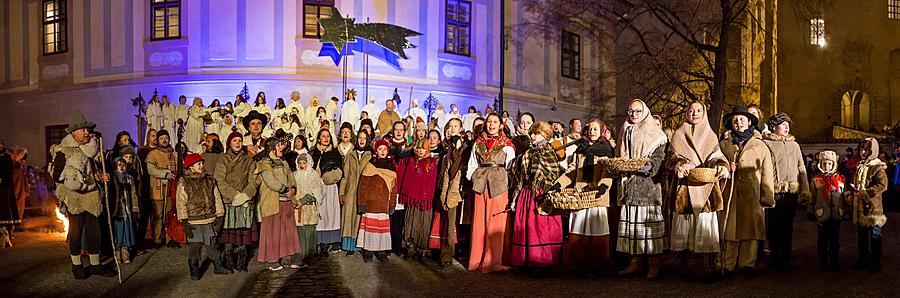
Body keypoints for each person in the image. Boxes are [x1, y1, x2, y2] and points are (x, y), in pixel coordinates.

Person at [665, 101, 729, 281]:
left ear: (704, 113)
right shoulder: (678, 133)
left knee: (704, 227)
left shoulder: (710, 135)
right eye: (691, 110)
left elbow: (716, 156)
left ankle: (706, 267)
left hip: (705, 188)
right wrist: (679, 164)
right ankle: (686, 268)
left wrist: (721, 166)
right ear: (686, 113)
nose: (694, 113)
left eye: (698, 110)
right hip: (684, 188)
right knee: (685, 227)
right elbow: (670, 157)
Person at [50, 111, 116, 279]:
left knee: (94, 232)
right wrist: (75, 178)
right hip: (74, 198)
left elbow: (95, 171)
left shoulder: (92, 151)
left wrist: (102, 177)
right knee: (75, 233)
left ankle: (95, 264)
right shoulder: (63, 151)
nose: (87, 133)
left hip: (91, 196)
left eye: (88, 130)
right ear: (74, 133)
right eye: (83, 130)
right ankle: (77, 265)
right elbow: (57, 175)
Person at [718, 105, 776, 275]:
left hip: (752, 195)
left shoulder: (760, 145)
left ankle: (747, 265)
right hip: (730, 194)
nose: (739, 123)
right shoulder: (723, 145)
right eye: (735, 120)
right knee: (730, 232)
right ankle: (727, 264)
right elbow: (716, 164)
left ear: (749, 121)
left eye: (742, 119)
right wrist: (726, 167)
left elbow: (767, 173)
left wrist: (767, 196)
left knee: (750, 232)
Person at [616, 99, 668, 280]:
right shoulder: (625, 129)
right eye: (631, 111)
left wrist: (640, 166)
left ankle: (653, 266)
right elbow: (619, 155)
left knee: (649, 230)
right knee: (632, 229)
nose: (634, 114)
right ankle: (634, 263)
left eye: (638, 111)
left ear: (645, 112)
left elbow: (658, 160)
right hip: (629, 186)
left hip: (648, 188)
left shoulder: (656, 134)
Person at [560, 119, 615, 276]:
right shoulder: (580, 150)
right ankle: (579, 264)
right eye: (589, 129)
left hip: (598, 196)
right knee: (578, 229)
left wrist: (604, 185)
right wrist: (560, 184)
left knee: (597, 229)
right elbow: (571, 171)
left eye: (595, 129)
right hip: (581, 195)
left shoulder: (606, 150)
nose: (592, 132)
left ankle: (598, 265)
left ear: (601, 131)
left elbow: (607, 172)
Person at [507, 121, 565, 271]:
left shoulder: (548, 151)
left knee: (541, 226)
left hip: (542, 193)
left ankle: (542, 260)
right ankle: (525, 259)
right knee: (526, 225)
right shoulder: (528, 152)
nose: (532, 136)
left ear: (544, 135)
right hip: (527, 192)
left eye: (536, 133)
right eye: (532, 133)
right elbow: (520, 171)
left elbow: (555, 171)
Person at [466, 113, 515, 273]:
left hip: (499, 185)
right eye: (489, 122)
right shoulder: (477, 144)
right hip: (480, 185)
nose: (491, 125)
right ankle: (477, 260)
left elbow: (510, 168)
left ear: (501, 125)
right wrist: (474, 177)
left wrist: (503, 181)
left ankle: (494, 261)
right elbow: (472, 164)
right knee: (479, 223)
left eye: (495, 122)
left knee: (496, 223)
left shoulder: (507, 145)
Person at [762, 112, 811, 271]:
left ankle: (786, 255)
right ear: (774, 127)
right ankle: (775, 255)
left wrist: (805, 189)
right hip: (775, 190)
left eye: (788, 124)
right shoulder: (766, 144)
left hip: (792, 191)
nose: (787, 127)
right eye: (783, 124)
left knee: (788, 225)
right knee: (774, 225)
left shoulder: (794, 145)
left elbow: (801, 167)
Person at [175, 153, 231, 279]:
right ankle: (194, 268)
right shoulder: (184, 182)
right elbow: (181, 203)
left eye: (202, 163)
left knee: (212, 244)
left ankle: (218, 266)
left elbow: (217, 198)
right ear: (190, 167)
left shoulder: (210, 180)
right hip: (193, 221)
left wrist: (220, 215)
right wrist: (184, 221)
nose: (202, 165)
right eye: (198, 164)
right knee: (195, 246)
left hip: (209, 219)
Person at [254, 130, 304, 271]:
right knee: (273, 232)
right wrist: (285, 189)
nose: (282, 148)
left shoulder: (283, 161)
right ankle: (273, 260)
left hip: (286, 201)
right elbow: (271, 181)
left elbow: (290, 177)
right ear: (271, 148)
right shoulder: (264, 164)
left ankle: (294, 258)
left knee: (289, 231)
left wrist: (293, 189)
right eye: (279, 145)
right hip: (272, 202)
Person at [214, 131, 259, 272]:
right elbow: (219, 179)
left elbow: (254, 181)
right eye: (235, 141)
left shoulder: (249, 161)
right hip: (228, 200)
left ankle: (242, 259)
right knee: (229, 230)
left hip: (244, 202)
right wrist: (234, 195)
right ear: (229, 143)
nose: (238, 143)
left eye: (240, 140)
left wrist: (245, 195)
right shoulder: (223, 160)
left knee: (242, 231)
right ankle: (229, 258)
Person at [846, 138, 888, 272]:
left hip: (873, 207)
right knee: (861, 235)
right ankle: (863, 258)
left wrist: (867, 193)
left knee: (875, 235)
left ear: (872, 151)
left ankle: (875, 261)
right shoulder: (859, 165)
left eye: (866, 150)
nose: (863, 152)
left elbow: (882, 185)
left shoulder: (877, 167)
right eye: (861, 149)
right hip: (860, 207)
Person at [396, 139, 439, 259]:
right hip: (412, 199)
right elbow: (408, 179)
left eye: (423, 148)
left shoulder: (432, 162)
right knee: (410, 221)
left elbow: (431, 180)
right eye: (418, 148)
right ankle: (410, 245)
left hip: (425, 199)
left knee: (423, 222)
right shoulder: (411, 161)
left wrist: (425, 195)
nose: (420, 151)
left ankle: (422, 248)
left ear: (427, 149)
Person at [356, 139, 398, 263]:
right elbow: (363, 186)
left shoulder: (391, 166)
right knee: (370, 229)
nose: (382, 151)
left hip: (384, 203)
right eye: (380, 149)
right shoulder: (370, 165)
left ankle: (381, 251)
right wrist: (362, 203)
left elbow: (394, 188)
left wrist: (392, 203)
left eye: (385, 149)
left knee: (381, 229)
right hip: (371, 203)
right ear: (376, 151)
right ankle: (368, 251)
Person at [434, 118, 466, 267]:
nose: (453, 128)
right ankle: (446, 255)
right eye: (450, 126)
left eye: (455, 126)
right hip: (449, 189)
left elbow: (459, 164)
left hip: (461, 188)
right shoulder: (446, 148)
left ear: (460, 128)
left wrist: (457, 146)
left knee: (461, 224)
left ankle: (460, 251)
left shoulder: (465, 146)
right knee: (449, 223)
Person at [806, 150, 845, 271]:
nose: (826, 166)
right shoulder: (816, 180)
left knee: (835, 239)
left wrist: (846, 209)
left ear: (834, 164)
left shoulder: (840, 179)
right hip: (821, 213)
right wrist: (810, 211)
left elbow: (844, 197)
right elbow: (811, 197)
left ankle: (834, 261)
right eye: (824, 164)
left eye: (829, 164)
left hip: (836, 214)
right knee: (822, 239)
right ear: (820, 164)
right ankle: (823, 261)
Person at [338, 129, 373, 255]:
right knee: (348, 218)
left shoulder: (370, 155)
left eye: (364, 138)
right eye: (360, 138)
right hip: (351, 190)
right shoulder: (351, 155)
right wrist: (341, 192)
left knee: (360, 218)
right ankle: (349, 245)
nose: (362, 140)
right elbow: (345, 176)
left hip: (364, 191)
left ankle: (360, 245)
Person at [311, 129, 344, 255]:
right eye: (323, 136)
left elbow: (340, 170)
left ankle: (330, 241)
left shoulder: (335, 153)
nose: (325, 138)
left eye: (328, 136)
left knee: (331, 213)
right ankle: (320, 241)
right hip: (318, 187)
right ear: (319, 138)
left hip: (331, 188)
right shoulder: (314, 153)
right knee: (321, 215)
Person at [145, 129, 178, 247]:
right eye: (161, 138)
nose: (164, 140)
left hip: (171, 190)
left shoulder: (174, 154)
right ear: (158, 140)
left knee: (170, 214)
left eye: (166, 138)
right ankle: (156, 238)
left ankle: (170, 238)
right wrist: (165, 174)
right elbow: (151, 169)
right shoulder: (153, 154)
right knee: (158, 215)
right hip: (157, 189)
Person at [110, 153, 140, 264]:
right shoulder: (113, 178)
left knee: (126, 231)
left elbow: (133, 194)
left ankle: (125, 251)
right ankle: (117, 251)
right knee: (118, 231)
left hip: (126, 210)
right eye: (119, 165)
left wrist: (135, 208)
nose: (122, 167)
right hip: (117, 211)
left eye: (123, 165)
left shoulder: (129, 179)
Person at [293, 152, 322, 265]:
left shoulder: (313, 175)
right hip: (297, 210)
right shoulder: (294, 175)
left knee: (309, 231)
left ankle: (310, 255)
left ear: (308, 163)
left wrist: (303, 200)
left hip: (309, 209)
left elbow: (316, 192)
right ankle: (301, 254)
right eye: (299, 162)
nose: (302, 165)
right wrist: (295, 201)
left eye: (304, 163)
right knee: (300, 232)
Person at [0, 139, 18, 238]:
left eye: (0, 144)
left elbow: (9, 172)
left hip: (6, 188)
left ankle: (9, 230)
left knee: (7, 209)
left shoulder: (7, 158)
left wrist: (2, 179)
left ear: (3, 145)